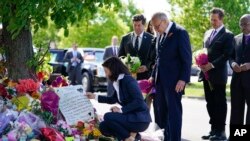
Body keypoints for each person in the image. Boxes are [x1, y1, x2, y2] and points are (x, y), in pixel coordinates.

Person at [86, 57, 151, 141]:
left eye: (106, 71)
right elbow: (112, 99)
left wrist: (121, 110)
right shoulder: (117, 81)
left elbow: (139, 100)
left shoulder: (128, 80)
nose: (105, 74)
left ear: (113, 70)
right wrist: (94, 96)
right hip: (130, 117)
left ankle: (128, 138)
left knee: (108, 116)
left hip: (140, 119)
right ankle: (134, 137)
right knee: (103, 126)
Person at [149, 12, 192, 141]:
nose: (155, 30)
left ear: (164, 21)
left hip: (174, 82)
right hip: (160, 81)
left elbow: (187, 58)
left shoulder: (180, 32)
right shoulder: (159, 35)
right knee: (160, 113)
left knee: (173, 113)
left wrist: (183, 79)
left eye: (157, 26)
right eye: (154, 27)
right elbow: (158, 58)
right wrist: (152, 76)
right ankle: (162, 138)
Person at [198, 8, 234, 140]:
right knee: (210, 103)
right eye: (211, 19)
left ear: (221, 19)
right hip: (206, 75)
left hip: (218, 75)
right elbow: (204, 51)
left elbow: (227, 54)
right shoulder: (207, 33)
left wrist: (212, 65)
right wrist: (200, 63)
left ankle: (221, 132)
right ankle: (213, 130)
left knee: (220, 103)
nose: (212, 22)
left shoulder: (228, 35)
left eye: (215, 20)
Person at [118, 14, 154, 80]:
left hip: (146, 78)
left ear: (144, 25)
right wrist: (127, 65)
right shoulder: (125, 39)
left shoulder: (152, 39)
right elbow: (120, 56)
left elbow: (154, 58)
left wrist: (146, 67)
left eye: (139, 25)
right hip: (128, 77)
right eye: (135, 25)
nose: (137, 27)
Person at [229, 14, 250, 129]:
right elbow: (231, 57)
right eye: (241, 24)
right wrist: (233, 64)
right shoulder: (235, 38)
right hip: (237, 80)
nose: (243, 27)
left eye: (245, 24)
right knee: (236, 109)